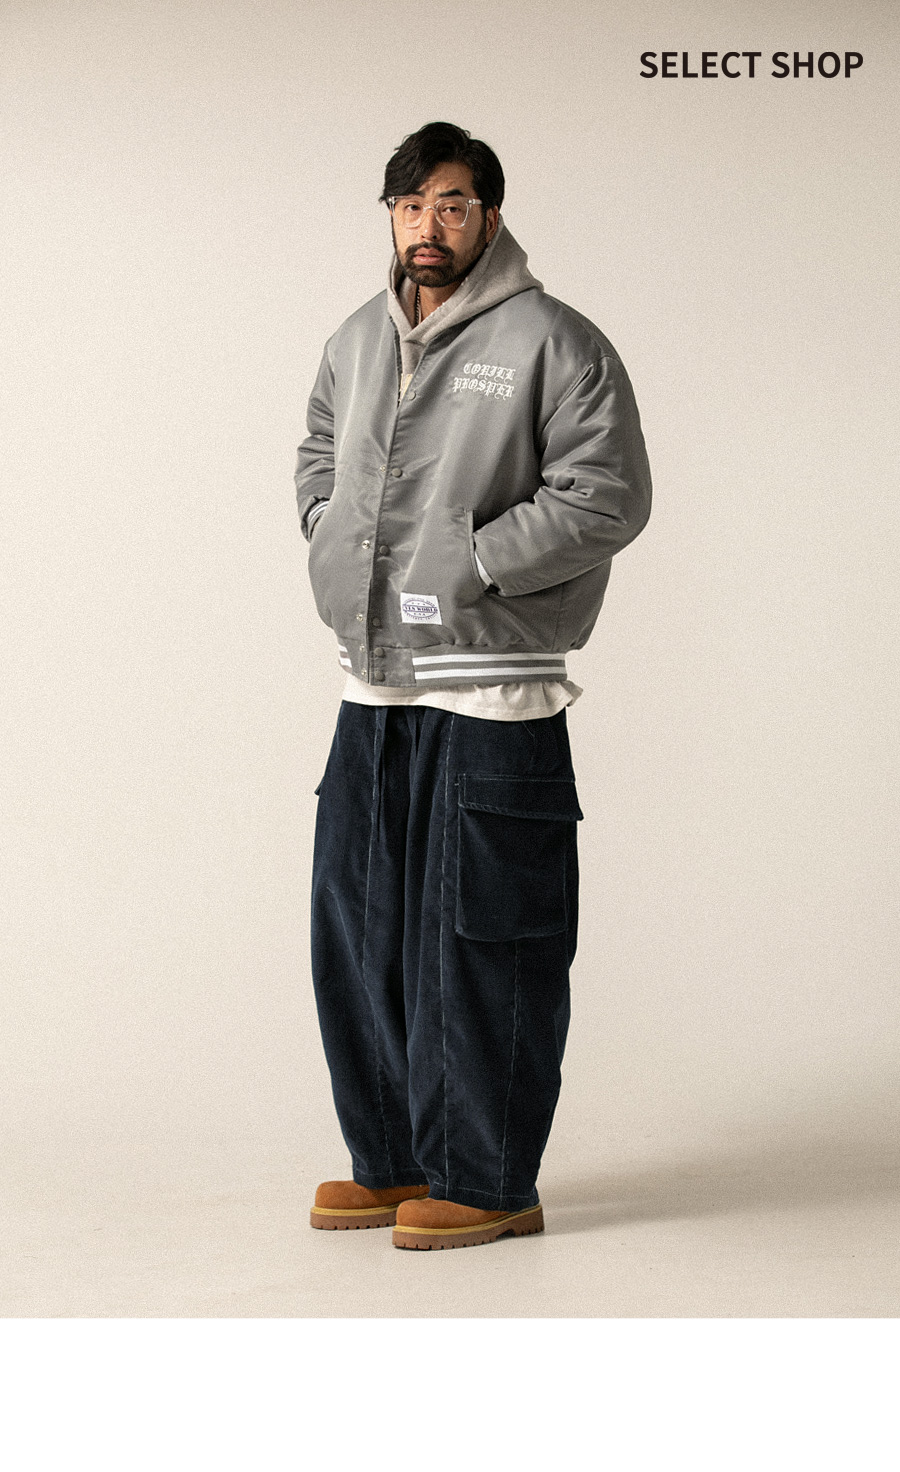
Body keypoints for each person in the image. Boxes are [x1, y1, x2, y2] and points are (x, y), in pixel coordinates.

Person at [295, 121, 651, 1251]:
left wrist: (475, 560)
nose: (428, 226)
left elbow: (608, 494)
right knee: (360, 934)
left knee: (483, 939)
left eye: (451, 204)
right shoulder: (357, 339)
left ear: (490, 215)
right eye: (410, 206)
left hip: (495, 692)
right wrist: (329, 534)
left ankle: (488, 1179)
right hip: (372, 687)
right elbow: (316, 456)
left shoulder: (555, 340)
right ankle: (394, 1162)